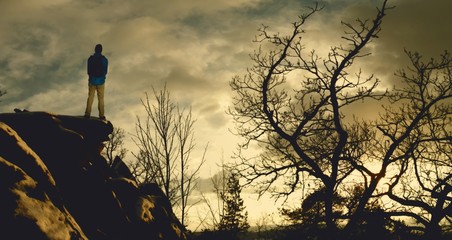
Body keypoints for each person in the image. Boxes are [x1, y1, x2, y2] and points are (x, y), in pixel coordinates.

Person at [84, 43, 108, 119]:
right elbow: (105, 71)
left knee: (90, 97)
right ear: (101, 50)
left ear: (95, 50)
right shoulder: (104, 59)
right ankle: (101, 115)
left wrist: (91, 77)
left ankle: (87, 114)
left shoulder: (90, 59)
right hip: (101, 82)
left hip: (92, 81)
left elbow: (88, 71)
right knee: (101, 99)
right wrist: (102, 78)